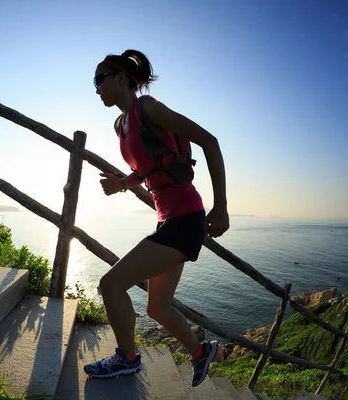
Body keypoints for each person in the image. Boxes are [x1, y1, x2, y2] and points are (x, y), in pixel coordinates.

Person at [84, 49, 230, 387]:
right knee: (157, 309)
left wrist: (220, 206)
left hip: (185, 219)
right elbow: (147, 168)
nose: (95, 88)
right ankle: (200, 352)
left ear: (121, 79)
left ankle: (127, 359)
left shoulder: (146, 108)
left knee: (111, 284)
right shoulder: (121, 124)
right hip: (169, 220)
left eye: (98, 79)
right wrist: (123, 183)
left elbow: (210, 141)